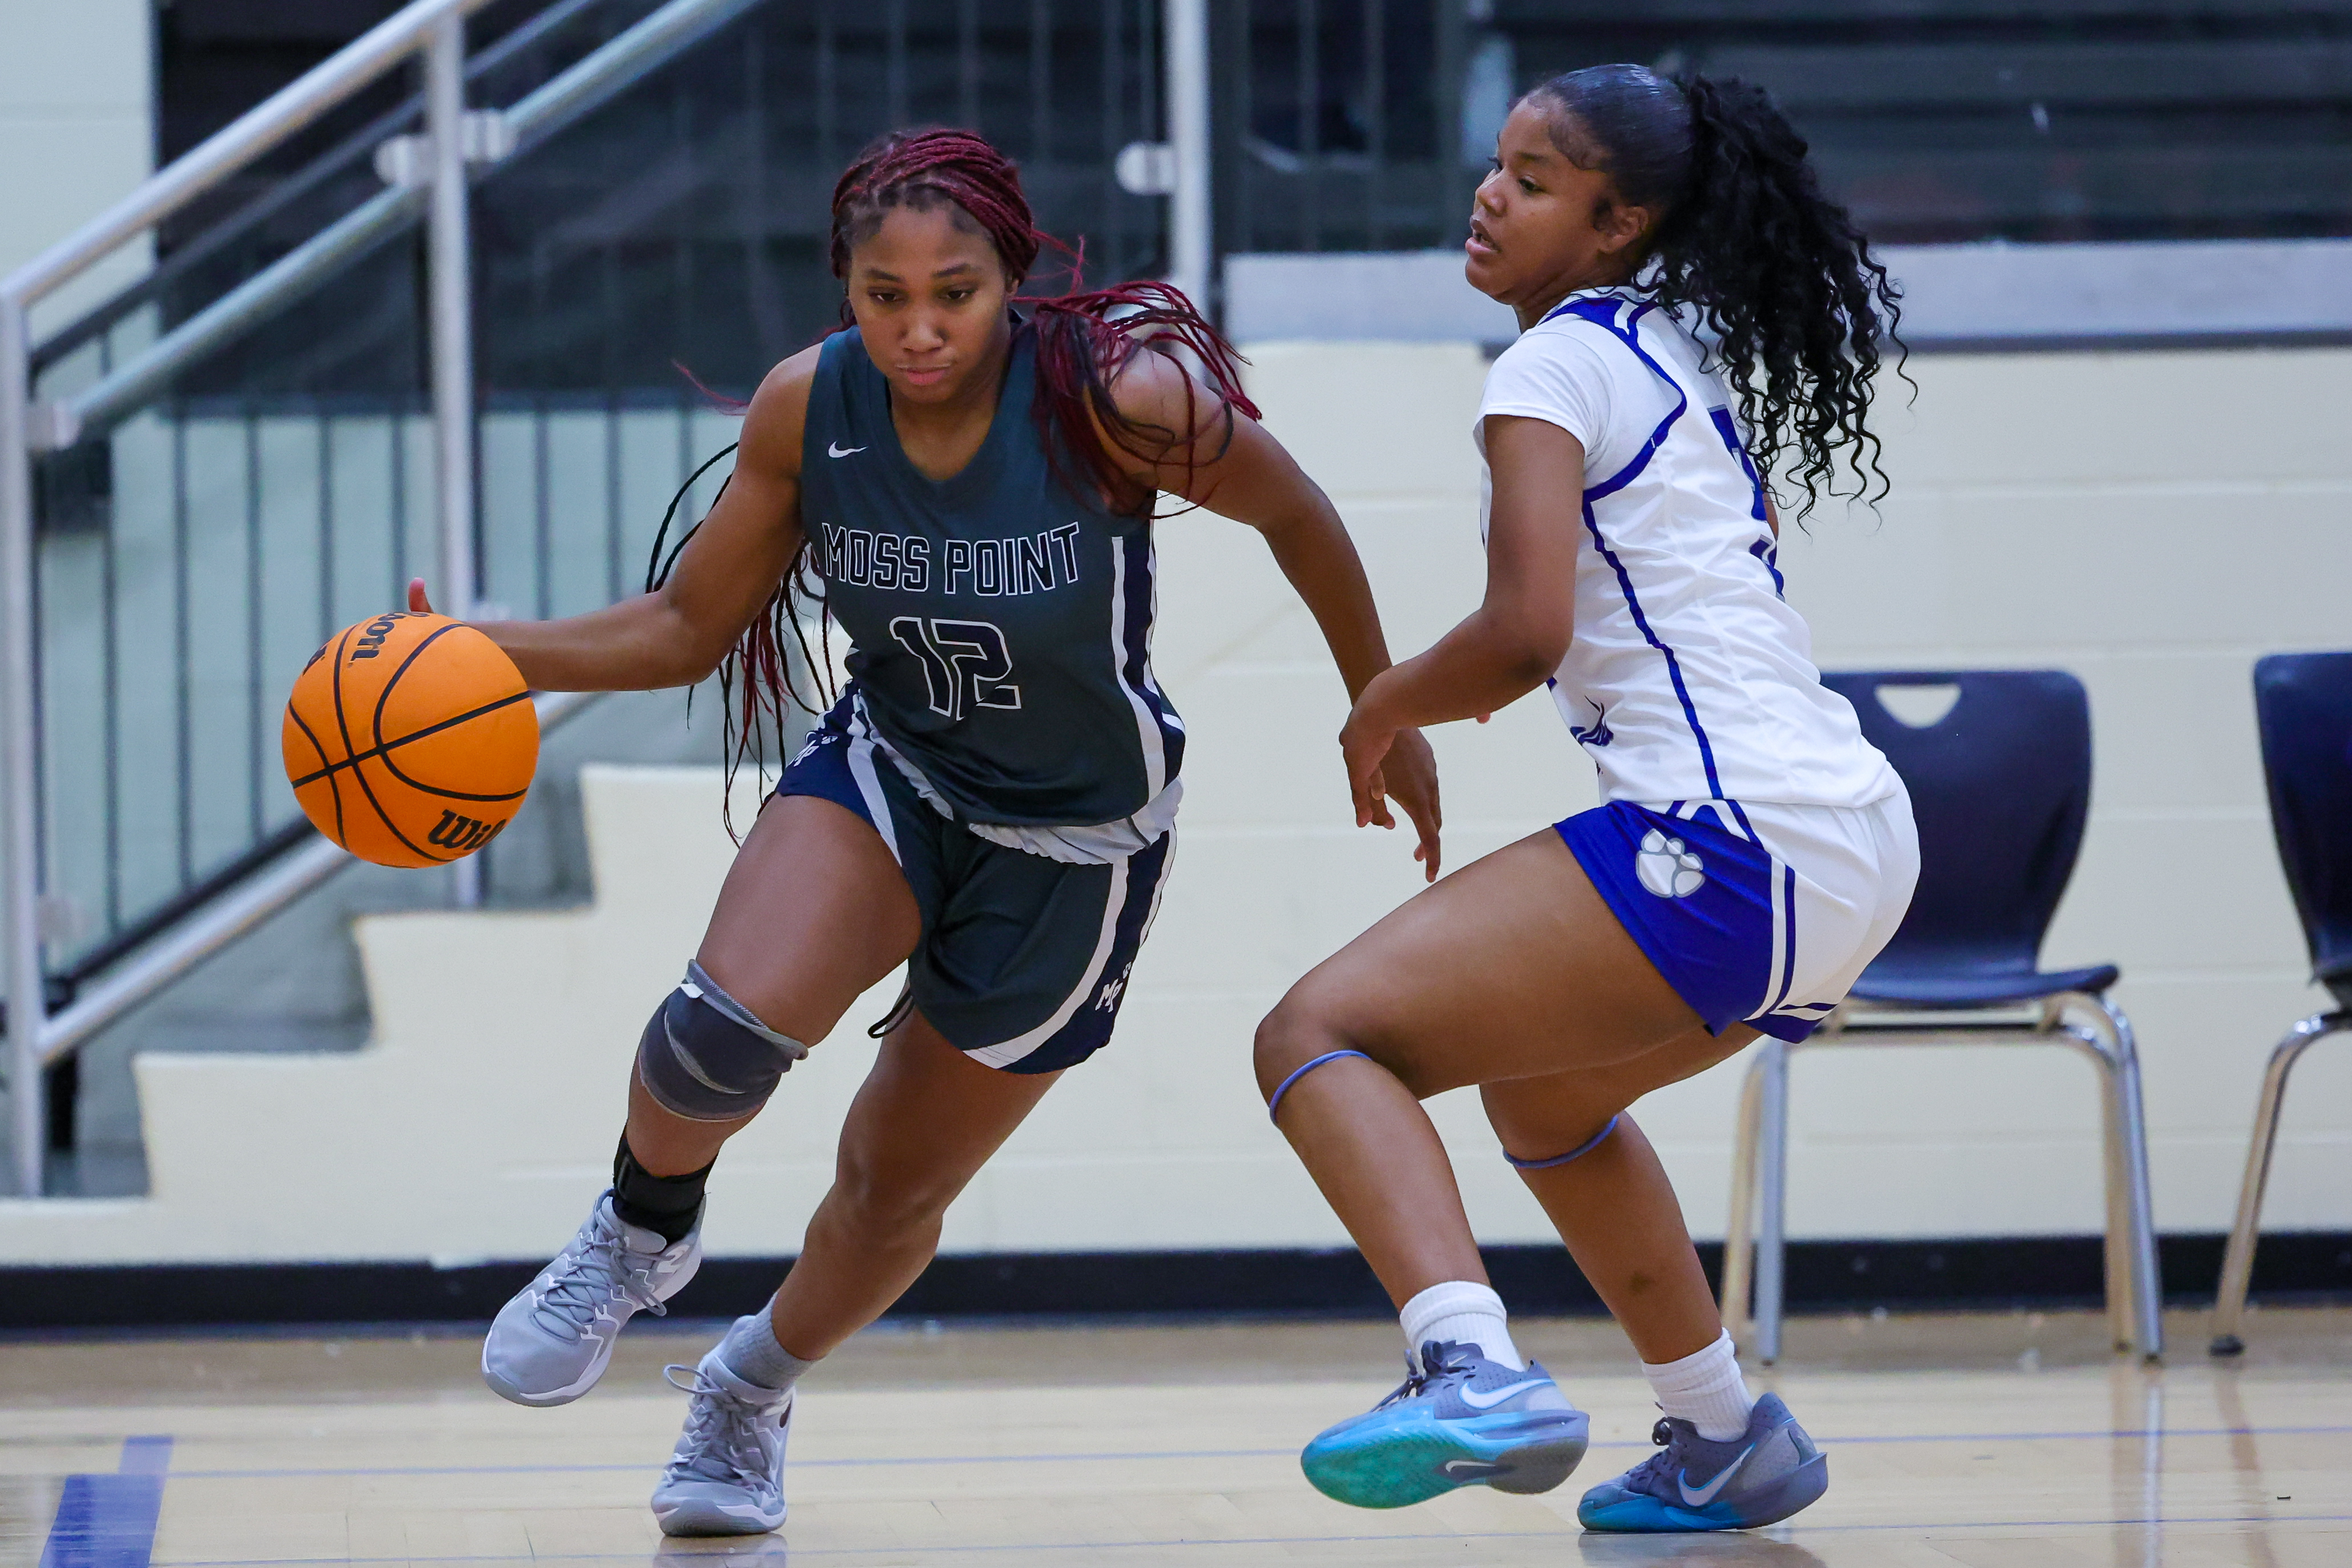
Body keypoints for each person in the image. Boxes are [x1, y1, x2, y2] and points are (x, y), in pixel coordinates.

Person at [413, 128, 1439, 1538]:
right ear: (844, 289)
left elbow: (1302, 515)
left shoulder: (1118, 403)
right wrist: (482, 647)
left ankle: (744, 1389)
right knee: (713, 1032)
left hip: (1076, 850)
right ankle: (638, 1232)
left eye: (952, 292)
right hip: (896, 768)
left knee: (886, 1191)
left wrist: (1380, 707)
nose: (917, 326)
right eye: (883, 295)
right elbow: (680, 629)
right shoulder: (807, 408)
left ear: (1011, 279)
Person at [1251, 66, 1915, 1533]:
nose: (1489, 194)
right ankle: (1723, 1431)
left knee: (1314, 1035)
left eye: (1534, 181)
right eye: (1494, 166)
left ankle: (1464, 1367)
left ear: (1616, 226)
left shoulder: (1546, 370)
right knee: (1547, 1101)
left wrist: (1382, 702)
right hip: (1851, 838)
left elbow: (1524, 628)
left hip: (1732, 837)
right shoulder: (1674, 350)